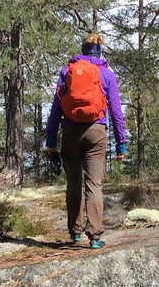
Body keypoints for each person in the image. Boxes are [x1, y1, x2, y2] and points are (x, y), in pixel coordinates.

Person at [45, 33, 126, 249]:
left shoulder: (67, 71)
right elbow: (116, 110)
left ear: (82, 49)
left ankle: (75, 232)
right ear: (100, 51)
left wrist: (51, 139)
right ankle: (95, 236)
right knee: (94, 183)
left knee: (73, 182)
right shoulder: (107, 74)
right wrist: (121, 141)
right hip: (96, 131)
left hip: (70, 132)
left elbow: (56, 108)